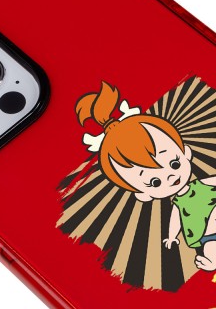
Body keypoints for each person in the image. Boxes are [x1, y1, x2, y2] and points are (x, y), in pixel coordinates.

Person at [76, 81, 216, 271]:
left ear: (186, 152)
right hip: (204, 235)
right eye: (154, 182)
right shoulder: (179, 203)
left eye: (174, 163)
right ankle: (210, 260)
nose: (169, 177)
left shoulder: (200, 185)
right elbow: (176, 219)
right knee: (210, 248)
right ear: (143, 194)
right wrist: (171, 236)